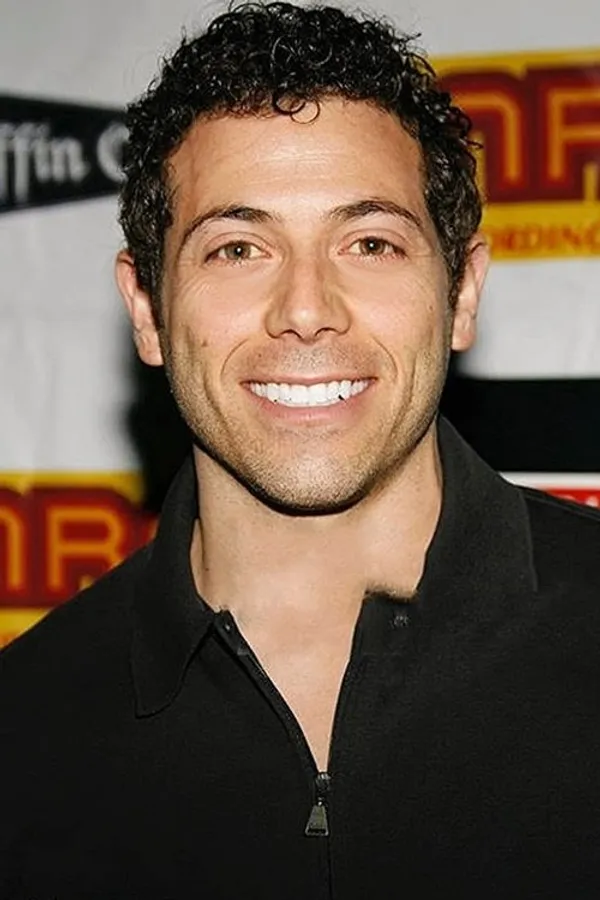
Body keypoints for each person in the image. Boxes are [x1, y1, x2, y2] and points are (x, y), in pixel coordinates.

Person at [2, 3, 600, 897]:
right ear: (147, 309)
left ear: (462, 294)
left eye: (371, 242)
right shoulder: (25, 731)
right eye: (238, 248)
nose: (307, 309)